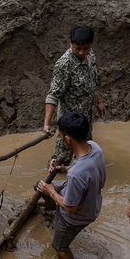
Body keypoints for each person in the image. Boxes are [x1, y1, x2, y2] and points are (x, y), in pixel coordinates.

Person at [36, 112, 105, 259]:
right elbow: (88, 171)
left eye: (61, 135)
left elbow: (71, 207)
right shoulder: (94, 148)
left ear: (67, 139)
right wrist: (65, 168)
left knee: (59, 247)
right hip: (93, 199)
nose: (61, 138)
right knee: (39, 186)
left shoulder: (76, 174)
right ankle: (51, 205)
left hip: (74, 217)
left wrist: (52, 192)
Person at [43, 25, 106, 164]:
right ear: (70, 43)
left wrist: (99, 102)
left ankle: (79, 176)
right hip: (69, 123)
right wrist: (46, 124)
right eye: (77, 48)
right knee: (60, 160)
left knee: (86, 153)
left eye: (86, 48)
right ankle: (51, 181)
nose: (82, 52)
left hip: (86, 120)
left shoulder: (90, 55)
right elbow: (53, 95)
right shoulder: (64, 65)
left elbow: (92, 83)